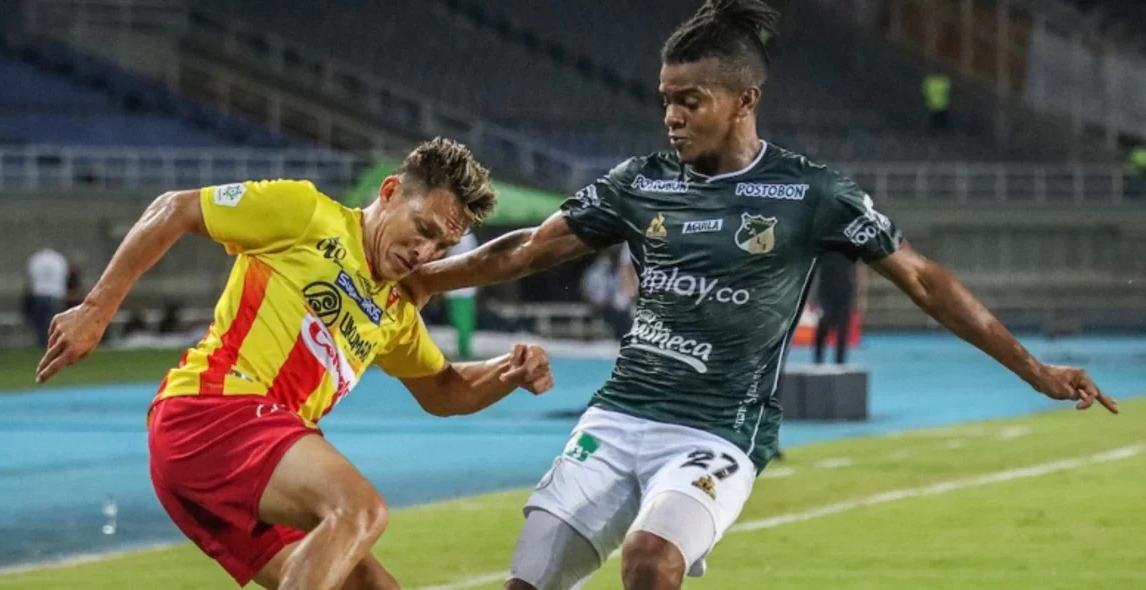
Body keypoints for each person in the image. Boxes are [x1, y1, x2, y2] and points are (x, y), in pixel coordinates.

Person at [410, 2, 1118, 589]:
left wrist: (1034, 369)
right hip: (619, 416)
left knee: (650, 562)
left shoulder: (811, 192)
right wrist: (419, 279)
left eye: (691, 100)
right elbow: (528, 248)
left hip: (719, 430)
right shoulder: (639, 181)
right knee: (525, 583)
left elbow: (924, 280)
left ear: (745, 99)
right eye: (666, 101)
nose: (673, 117)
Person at [34, 138, 556, 590]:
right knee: (360, 510)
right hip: (210, 411)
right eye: (421, 228)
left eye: (440, 243)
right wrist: (97, 308)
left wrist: (506, 373)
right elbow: (175, 208)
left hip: (237, 465)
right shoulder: (308, 214)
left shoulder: (392, 309)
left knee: (374, 586)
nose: (425, 251)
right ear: (390, 191)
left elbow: (445, 391)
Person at [813, 251, 860, 365]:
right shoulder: (824, 244)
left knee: (843, 328)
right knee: (824, 323)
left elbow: (858, 269)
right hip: (826, 290)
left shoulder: (850, 244)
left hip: (845, 290)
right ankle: (818, 359)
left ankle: (840, 362)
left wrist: (860, 296)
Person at [443, 231, 480, 359]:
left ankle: (464, 349)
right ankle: (462, 348)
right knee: (459, 321)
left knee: (465, 322)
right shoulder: (457, 237)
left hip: (464, 288)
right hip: (457, 287)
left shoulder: (466, 238)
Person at [24, 247, 68, 347]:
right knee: (54, 322)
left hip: (39, 295)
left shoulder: (36, 260)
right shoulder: (58, 259)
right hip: (55, 295)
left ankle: (43, 343)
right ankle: (54, 343)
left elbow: (31, 278)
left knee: (41, 323)